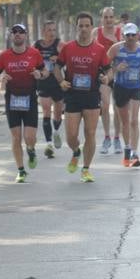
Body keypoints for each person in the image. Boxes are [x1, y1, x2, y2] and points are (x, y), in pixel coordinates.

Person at [57, 12, 111, 183]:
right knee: (71, 136)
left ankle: (86, 169)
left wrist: (106, 78)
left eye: (87, 26)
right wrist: (61, 82)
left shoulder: (99, 50)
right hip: (72, 95)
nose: (84, 29)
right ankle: (76, 151)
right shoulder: (68, 48)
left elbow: (109, 69)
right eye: (81, 26)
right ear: (77, 27)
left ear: (91, 27)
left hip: (91, 95)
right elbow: (56, 68)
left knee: (90, 133)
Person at [0, 23, 47, 183]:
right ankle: (21, 170)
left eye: (20, 32)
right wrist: (0, 78)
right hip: (12, 100)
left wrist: (39, 74)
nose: (17, 34)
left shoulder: (34, 53)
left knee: (30, 137)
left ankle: (31, 150)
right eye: (14, 32)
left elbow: (46, 72)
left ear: (25, 35)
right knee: (16, 138)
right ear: (10, 36)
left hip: (29, 99)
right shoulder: (4, 56)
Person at [107, 23, 140, 168]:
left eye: (133, 35)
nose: (130, 38)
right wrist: (116, 68)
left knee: (134, 120)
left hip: (136, 86)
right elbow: (105, 66)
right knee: (125, 122)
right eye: (127, 35)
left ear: (138, 35)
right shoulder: (116, 49)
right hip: (121, 87)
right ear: (123, 36)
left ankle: (135, 154)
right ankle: (127, 147)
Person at [94, 7, 122, 156]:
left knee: (117, 108)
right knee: (105, 106)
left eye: (111, 17)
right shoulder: (96, 33)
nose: (109, 20)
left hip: (118, 73)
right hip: (102, 74)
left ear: (114, 18)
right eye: (106, 17)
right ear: (102, 19)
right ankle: (106, 137)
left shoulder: (120, 32)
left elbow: (127, 50)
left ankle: (117, 138)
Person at [34, 20, 64, 158]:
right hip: (43, 82)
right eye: (49, 30)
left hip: (57, 81)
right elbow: (31, 60)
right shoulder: (37, 45)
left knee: (57, 113)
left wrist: (58, 59)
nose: (52, 33)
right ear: (43, 32)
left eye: (53, 30)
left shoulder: (59, 44)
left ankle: (56, 131)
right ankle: (48, 144)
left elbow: (68, 60)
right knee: (46, 110)